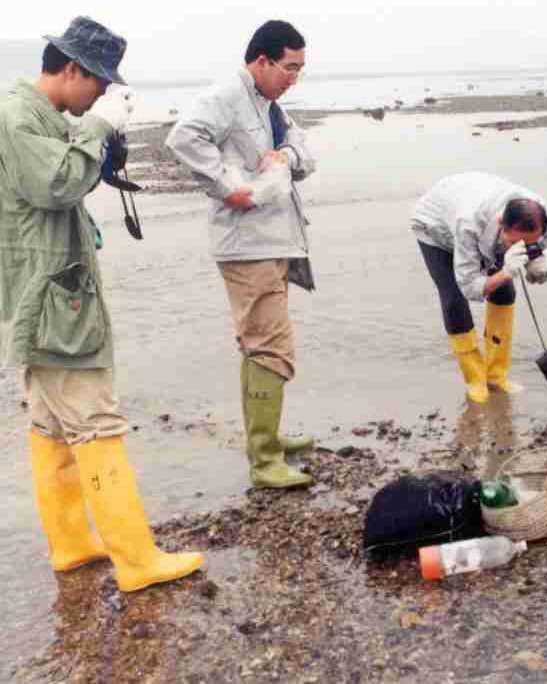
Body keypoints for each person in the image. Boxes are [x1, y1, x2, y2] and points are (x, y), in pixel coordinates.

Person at [0, 16, 203, 591]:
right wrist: (96, 128)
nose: (103, 95)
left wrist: (89, 131)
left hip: (36, 292)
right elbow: (57, 185)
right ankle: (136, 559)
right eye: (100, 85)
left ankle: (70, 543)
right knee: (96, 422)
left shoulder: (30, 114)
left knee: (52, 425)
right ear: (71, 70)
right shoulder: (17, 117)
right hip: (51, 297)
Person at [166, 20, 317, 489]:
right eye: (289, 68)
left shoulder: (271, 106)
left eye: (300, 69)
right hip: (247, 245)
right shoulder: (227, 95)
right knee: (270, 346)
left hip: (274, 241)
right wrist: (228, 187)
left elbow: (306, 155)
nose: (294, 77)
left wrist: (286, 158)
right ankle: (265, 459)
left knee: (264, 342)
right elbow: (183, 137)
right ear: (261, 61)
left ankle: (266, 440)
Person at [412, 172, 547, 403]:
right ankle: (475, 380)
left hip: (473, 200)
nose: (523, 247)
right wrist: (507, 271)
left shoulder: (546, 216)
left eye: (529, 243)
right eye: (515, 243)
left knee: (505, 291)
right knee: (454, 300)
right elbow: (469, 287)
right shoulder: (469, 223)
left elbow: (546, 251)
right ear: (501, 224)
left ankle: (496, 376)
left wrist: (541, 264)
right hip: (436, 228)